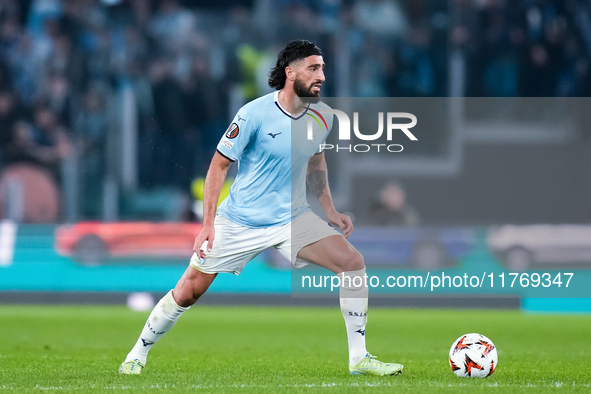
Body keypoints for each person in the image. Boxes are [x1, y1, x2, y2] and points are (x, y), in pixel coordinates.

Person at [119, 40, 404, 376]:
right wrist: (208, 224)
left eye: (323, 68)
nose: (322, 76)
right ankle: (136, 354)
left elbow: (316, 163)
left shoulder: (323, 116)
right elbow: (218, 167)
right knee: (189, 290)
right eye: (314, 68)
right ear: (290, 72)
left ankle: (359, 358)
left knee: (352, 263)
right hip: (241, 220)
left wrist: (329, 210)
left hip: (292, 219)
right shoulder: (253, 114)